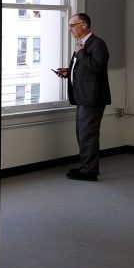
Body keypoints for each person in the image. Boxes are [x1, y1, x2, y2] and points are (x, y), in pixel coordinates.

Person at [52, 12, 110, 181]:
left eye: (72, 25)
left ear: (84, 25)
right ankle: (87, 167)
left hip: (92, 98)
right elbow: (85, 69)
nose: (69, 28)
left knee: (88, 134)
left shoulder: (97, 44)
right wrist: (68, 72)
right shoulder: (81, 44)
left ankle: (89, 171)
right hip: (83, 97)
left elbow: (98, 67)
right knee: (83, 134)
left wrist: (80, 53)